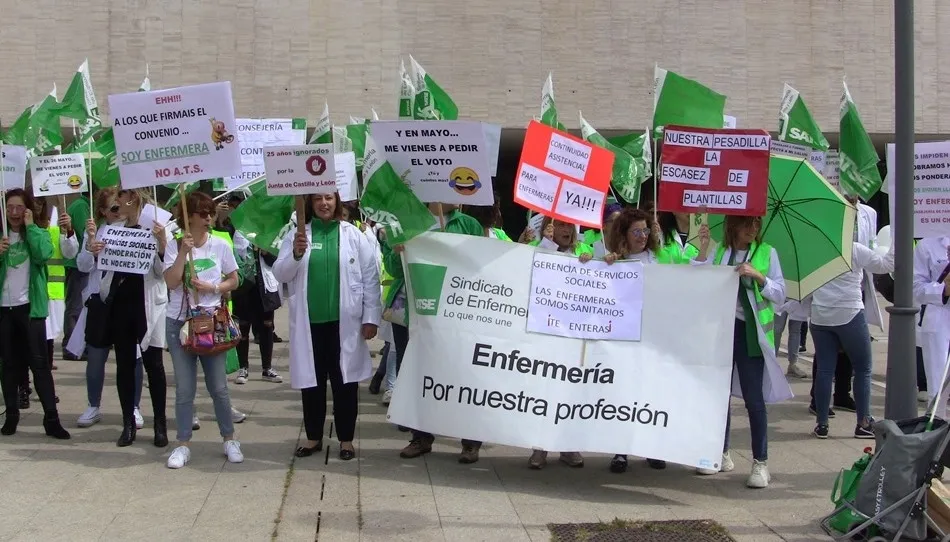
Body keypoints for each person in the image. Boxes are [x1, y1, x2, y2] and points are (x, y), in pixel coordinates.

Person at [273, 192, 380, 461]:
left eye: (329, 198)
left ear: (337, 202)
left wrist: (370, 317)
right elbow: (280, 273)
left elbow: (370, 276)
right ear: (310, 203)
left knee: (346, 383)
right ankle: (313, 438)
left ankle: (345, 439)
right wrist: (296, 254)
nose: (324, 203)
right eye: (318, 199)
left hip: (346, 323)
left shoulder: (353, 235)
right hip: (310, 326)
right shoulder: (298, 234)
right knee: (313, 382)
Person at [693, 215, 789, 488]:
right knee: (719, 395)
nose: (753, 229)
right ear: (733, 225)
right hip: (722, 332)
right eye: (748, 224)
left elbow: (781, 292)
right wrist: (702, 249)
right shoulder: (721, 251)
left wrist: (759, 277)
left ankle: (761, 462)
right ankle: (719, 453)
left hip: (751, 335)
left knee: (753, 400)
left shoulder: (767, 253)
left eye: (756, 224)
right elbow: (699, 279)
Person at [394, 202, 486, 463]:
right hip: (424, 314)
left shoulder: (468, 224)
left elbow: (483, 266)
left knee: (465, 377)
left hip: (460, 314)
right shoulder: (409, 222)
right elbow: (393, 268)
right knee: (421, 376)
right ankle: (421, 437)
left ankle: (470, 442)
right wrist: (398, 251)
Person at [80, 189, 169, 447]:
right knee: (125, 364)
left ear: (134, 200)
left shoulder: (156, 227)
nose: (116, 206)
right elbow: (99, 266)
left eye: (120, 201)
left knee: (154, 364)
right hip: (120, 304)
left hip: (148, 303)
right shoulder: (111, 231)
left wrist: (162, 244)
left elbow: (163, 271)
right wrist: (95, 249)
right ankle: (128, 423)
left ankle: (160, 425)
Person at [163, 191, 243, 469]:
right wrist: (183, 253)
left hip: (211, 323)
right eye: (203, 213)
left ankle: (229, 438)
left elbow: (234, 280)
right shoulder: (175, 246)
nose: (209, 218)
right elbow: (172, 283)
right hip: (180, 324)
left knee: (218, 387)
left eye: (210, 212)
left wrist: (215, 288)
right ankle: (183, 444)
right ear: (189, 217)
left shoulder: (220, 244)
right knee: (185, 389)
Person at [598, 208, 672, 473]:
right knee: (624, 395)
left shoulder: (658, 260)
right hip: (624, 338)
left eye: (645, 230)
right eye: (636, 231)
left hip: (653, 339)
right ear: (624, 235)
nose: (642, 236)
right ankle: (621, 451)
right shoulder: (615, 261)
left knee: (651, 395)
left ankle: (652, 448)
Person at [810, 228, 894, 440]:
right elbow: (886, 265)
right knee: (863, 368)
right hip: (849, 313)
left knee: (824, 370)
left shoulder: (816, 248)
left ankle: (821, 424)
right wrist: (897, 241)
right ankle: (863, 423)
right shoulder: (854, 248)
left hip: (820, 315)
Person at [0, 189, 70, 439]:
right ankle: (11, 416)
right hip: (5, 310)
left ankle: (52, 419)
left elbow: (43, 255)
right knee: (8, 365)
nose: (14, 213)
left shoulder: (38, 233)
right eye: (10, 207)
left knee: (39, 365)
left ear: (29, 210)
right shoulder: (2, 238)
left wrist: (29, 228)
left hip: (30, 309)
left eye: (20, 208)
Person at [232, 238, 283, 385]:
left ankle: (267, 368)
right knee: (243, 328)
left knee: (267, 328)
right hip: (244, 287)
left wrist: (266, 252)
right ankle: (243, 368)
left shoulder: (268, 234)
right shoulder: (237, 232)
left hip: (264, 287)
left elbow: (277, 262)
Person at [913, 236, 950, 416]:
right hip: (939, 316)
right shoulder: (927, 244)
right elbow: (916, 288)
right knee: (938, 387)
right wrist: (944, 289)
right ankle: (937, 434)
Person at [63, 192, 91, 361]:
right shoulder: (81, 206)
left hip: (80, 262)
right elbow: (83, 231)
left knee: (78, 305)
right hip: (77, 263)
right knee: (75, 306)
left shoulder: (84, 205)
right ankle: (71, 346)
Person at [774, 297, 810, 379]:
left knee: (795, 332)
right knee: (777, 331)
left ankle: (793, 365)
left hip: (797, 298)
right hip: (781, 297)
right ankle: (772, 363)